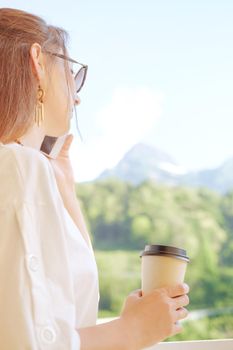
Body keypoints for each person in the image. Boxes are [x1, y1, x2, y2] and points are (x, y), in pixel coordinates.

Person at [0, 8, 190, 350]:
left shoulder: (28, 170)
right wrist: (131, 331)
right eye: (72, 73)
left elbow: (57, 319)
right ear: (37, 63)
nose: (77, 95)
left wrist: (65, 189)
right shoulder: (17, 166)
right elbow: (30, 343)